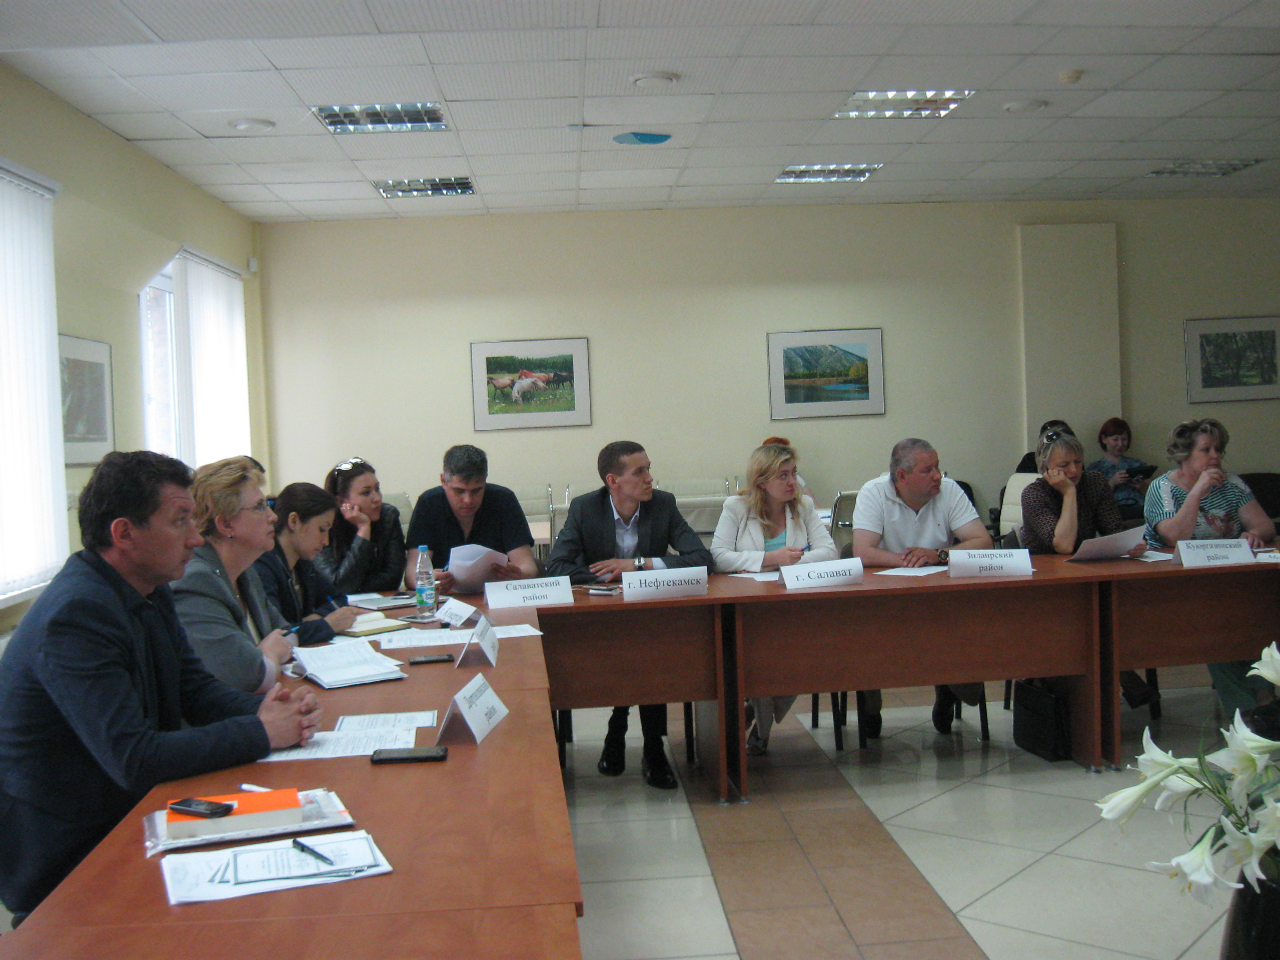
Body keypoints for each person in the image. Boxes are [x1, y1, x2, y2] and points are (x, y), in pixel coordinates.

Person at [0, 451, 320, 924]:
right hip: (72, 856)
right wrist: (261, 731)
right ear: (124, 534)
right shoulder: (76, 615)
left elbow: (194, 689)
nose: (196, 538)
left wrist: (271, 710)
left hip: (135, 817)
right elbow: (134, 758)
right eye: (180, 521)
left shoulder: (149, 587)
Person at [547, 441, 713, 789]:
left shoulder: (662, 504)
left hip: (649, 615)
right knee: (637, 654)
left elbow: (701, 559)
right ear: (613, 481)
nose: (650, 478)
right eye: (640, 472)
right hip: (600, 617)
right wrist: (609, 575)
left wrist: (637, 565)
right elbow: (556, 566)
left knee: (648, 652)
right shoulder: (585, 508)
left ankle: (632, 735)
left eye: (649, 469)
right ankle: (646, 747)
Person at [852, 438, 993, 735]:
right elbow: (862, 551)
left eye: (938, 467)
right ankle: (870, 702)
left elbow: (983, 542)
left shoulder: (949, 490)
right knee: (864, 633)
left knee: (962, 625)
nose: (937, 476)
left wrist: (937, 555)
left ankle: (950, 687)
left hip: (939, 596)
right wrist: (909, 561)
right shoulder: (873, 492)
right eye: (928, 470)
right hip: (884, 598)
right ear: (902, 476)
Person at [1145, 418, 1276, 717]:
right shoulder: (1162, 488)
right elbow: (1174, 536)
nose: (1215, 456)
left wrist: (1253, 533)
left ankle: (1264, 701)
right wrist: (1197, 492)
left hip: (1228, 580)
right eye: (1206, 450)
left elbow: (1265, 526)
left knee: (1257, 616)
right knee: (1218, 628)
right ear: (1184, 454)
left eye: (1219, 449)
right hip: (1177, 585)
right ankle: (1249, 712)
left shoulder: (1232, 484)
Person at [712, 442, 837, 754]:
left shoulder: (803, 507)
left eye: (794, 473)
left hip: (795, 603)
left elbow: (829, 551)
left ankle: (758, 715)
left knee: (802, 655)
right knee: (759, 655)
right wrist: (770, 558)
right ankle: (761, 725)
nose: (793, 482)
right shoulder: (736, 507)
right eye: (783, 475)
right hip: (750, 606)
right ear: (761, 481)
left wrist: (789, 563)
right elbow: (718, 557)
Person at [1021, 430, 1153, 707]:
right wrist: (1069, 493)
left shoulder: (1094, 482)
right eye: (1064, 465)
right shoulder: (1034, 493)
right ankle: (1119, 680)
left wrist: (1130, 544)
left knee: (1109, 614)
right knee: (1085, 622)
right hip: (1042, 586)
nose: (1074, 471)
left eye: (1078, 462)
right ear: (1046, 468)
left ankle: (1108, 687)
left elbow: (1113, 529)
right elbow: (1063, 545)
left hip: (1083, 576)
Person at [171, 457, 297, 693]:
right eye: (259, 506)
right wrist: (268, 653)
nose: (273, 516)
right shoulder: (196, 581)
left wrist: (264, 655)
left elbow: (288, 634)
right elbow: (247, 676)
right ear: (226, 524)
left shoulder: (245, 571)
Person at [403, 445, 538, 594]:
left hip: (494, 596)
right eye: (459, 491)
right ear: (443, 481)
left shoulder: (503, 500)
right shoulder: (429, 503)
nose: (468, 500)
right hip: (444, 598)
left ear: (485, 480)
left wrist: (518, 575)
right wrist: (428, 579)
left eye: (477, 490)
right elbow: (411, 575)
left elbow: (528, 568)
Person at [253, 482, 361, 645]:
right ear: (294, 521)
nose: (325, 541)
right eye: (322, 529)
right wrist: (327, 625)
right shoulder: (263, 565)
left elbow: (337, 598)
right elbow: (277, 634)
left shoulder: (302, 563)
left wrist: (316, 618)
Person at [316, 457, 406, 594]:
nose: (377, 498)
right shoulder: (325, 525)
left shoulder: (388, 516)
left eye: (377, 489)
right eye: (366, 493)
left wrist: (356, 586)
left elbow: (393, 579)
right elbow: (340, 586)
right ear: (341, 502)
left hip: (381, 601)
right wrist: (363, 530)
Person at [1086, 417, 1153, 522]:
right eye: (1115, 439)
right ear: (1104, 439)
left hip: (1140, 511)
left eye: (1124, 439)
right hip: (1112, 515)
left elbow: (1154, 493)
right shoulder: (1095, 468)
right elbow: (1092, 500)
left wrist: (1142, 486)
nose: (1120, 444)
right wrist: (1112, 483)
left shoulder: (1137, 464)